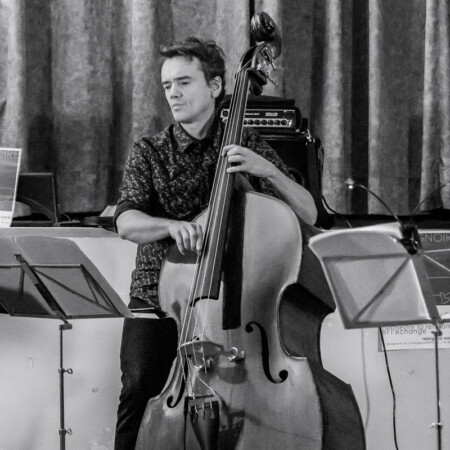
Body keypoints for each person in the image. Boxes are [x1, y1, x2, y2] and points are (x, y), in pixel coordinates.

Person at [113, 36, 318, 450]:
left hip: (234, 306)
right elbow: (126, 222)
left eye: (183, 82)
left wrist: (268, 171)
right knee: (138, 388)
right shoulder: (150, 150)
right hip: (161, 299)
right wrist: (171, 226)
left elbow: (308, 213)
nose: (173, 93)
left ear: (215, 86)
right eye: (167, 85)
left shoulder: (245, 144)